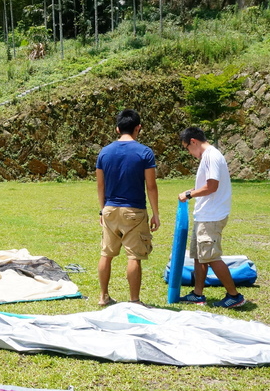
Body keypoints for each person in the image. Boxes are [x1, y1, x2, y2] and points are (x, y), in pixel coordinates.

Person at [95, 109, 161, 306]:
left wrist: (102, 209)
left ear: (117, 128)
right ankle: (134, 301)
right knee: (134, 256)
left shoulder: (104, 152)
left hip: (110, 209)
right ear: (138, 128)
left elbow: (100, 185)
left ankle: (103, 296)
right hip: (134, 211)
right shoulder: (144, 152)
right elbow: (151, 185)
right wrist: (156, 214)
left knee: (106, 254)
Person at [177, 126, 247, 308]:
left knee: (212, 256)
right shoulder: (209, 156)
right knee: (200, 256)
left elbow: (212, 186)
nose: (189, 152)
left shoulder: (211, 156)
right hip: (205, 214)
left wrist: (190, 194)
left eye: (187, 148)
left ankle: (234, 296)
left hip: (212, 215)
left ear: (193, 142)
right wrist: (191, 192)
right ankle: (198, 294)